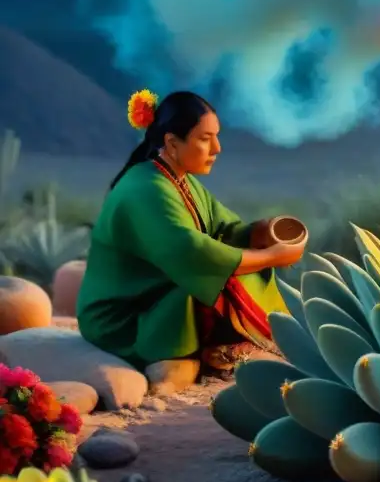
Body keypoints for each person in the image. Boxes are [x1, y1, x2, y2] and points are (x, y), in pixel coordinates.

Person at [77, 89, 307, 375]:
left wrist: (260, 232)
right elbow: (193, 252)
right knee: (216, 277)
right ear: (172, 143)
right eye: (205, 138)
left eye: (217, 136)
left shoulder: (177, 178)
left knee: (230, 268)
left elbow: (224, 229)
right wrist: (272, 256)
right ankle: (227, 346)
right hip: (124, 318)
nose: (217, 148)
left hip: (156, 294)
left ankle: (234, 344)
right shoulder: (146, 189)